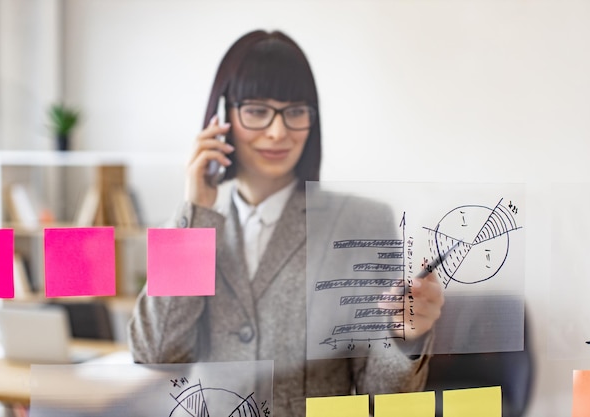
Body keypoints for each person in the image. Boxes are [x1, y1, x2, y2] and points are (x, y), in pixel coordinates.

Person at [128, 29, 444, 417]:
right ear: (221, 116)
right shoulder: (193, 229)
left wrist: (404, 337)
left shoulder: (361, 222)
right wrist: (195, 210)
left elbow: (382, 398)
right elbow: (155, 356)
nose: (278, 132)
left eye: (294, 111)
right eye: (257, 111)